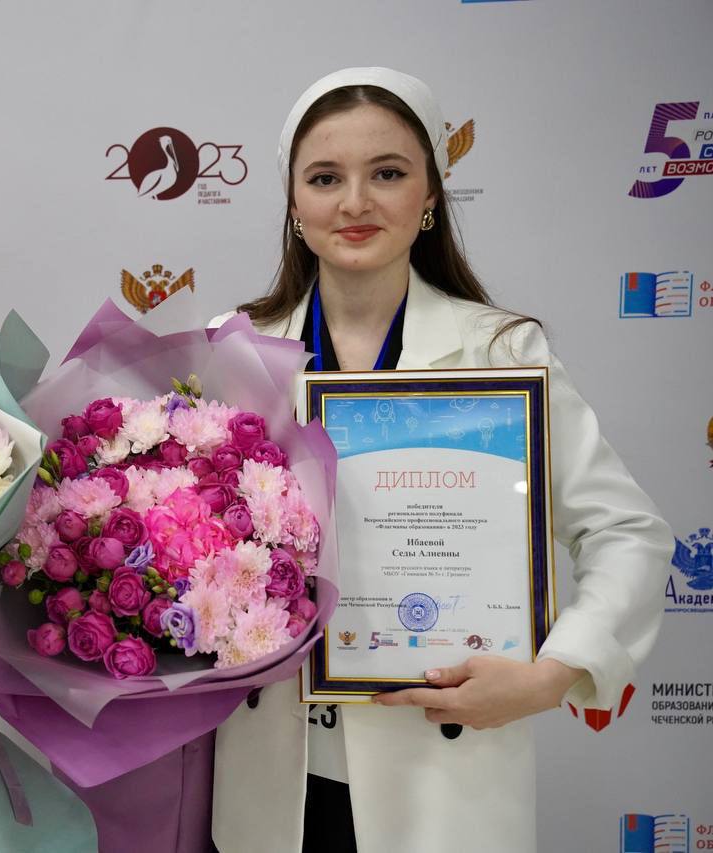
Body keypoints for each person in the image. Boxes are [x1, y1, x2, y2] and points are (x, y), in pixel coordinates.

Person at [209, 68, 671, 853]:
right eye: (325, 178)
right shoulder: (235, 345)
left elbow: (628, 531)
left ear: (430, 196)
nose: (355, 202)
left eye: (387, 173)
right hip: (268, 783)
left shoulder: (502, 350)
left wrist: (552, 673)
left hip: (443, 776)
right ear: (293, 202)